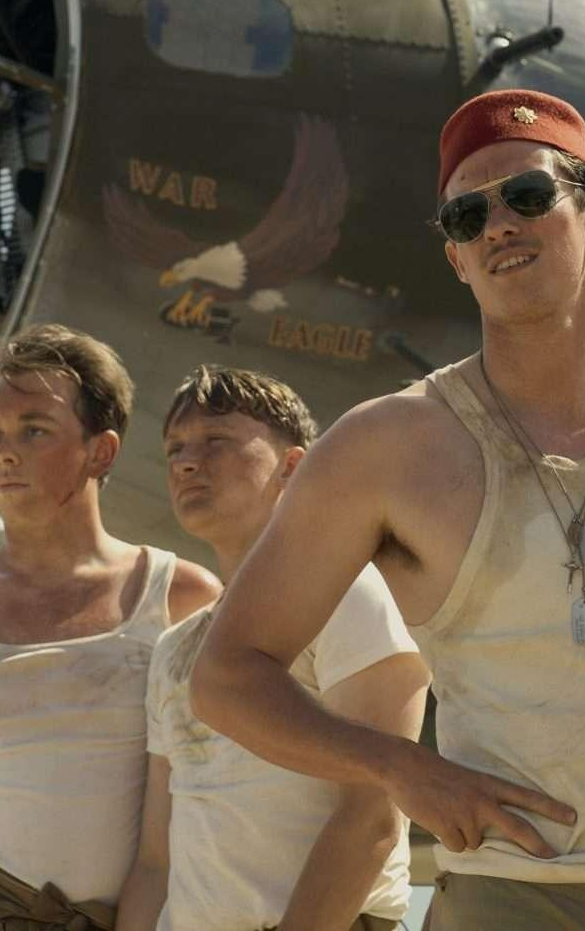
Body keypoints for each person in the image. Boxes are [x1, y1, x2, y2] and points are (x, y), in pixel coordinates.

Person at [189, 89, 585, 930]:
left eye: (528, 195)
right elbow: (226, 676)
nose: (498, 226)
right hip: (516, 900)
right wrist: (402, 768)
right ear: (456, 258)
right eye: (467, 216)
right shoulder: (385, 448)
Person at [0, 323, 221, 931]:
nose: (4, 452)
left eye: (34, 430)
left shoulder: (185, 598)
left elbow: (215, 805)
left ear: (101, 452)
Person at [118, 365, 428, 931]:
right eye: (175, 449)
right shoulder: (175, 648)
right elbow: (154, 861)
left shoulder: (349, 592)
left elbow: (373, 816)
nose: (187, 462)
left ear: (293, 466)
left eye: (216, 441)